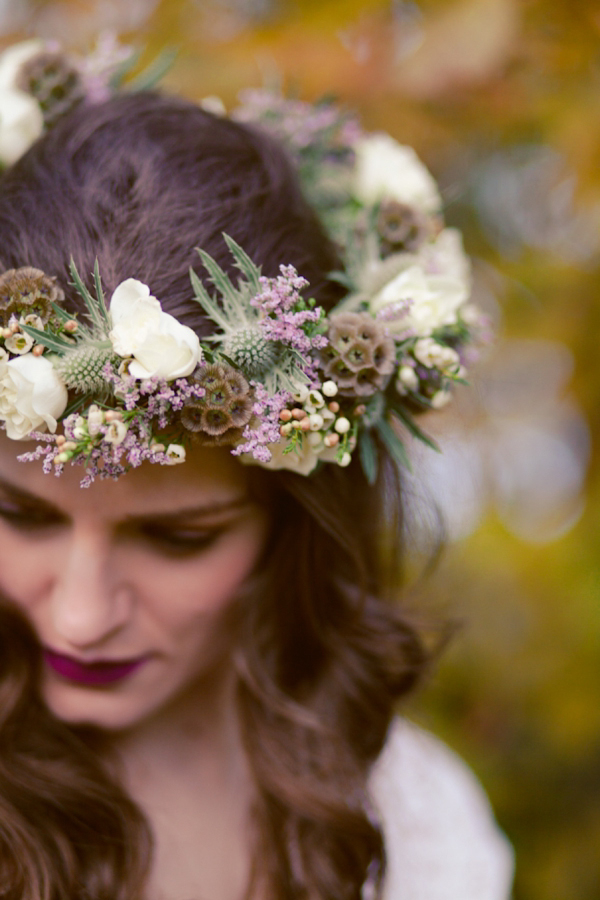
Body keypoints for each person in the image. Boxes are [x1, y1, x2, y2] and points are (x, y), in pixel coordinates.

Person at [0, 81, 513, 900]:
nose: (80, 617)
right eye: (22, 516)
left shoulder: (409, 818)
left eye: (178, 537)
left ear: (291, 523)